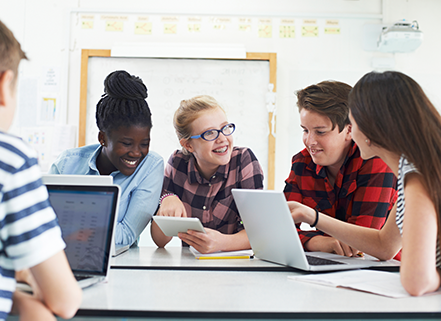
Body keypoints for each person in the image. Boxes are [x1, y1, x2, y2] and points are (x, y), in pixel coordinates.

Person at [0, 5, 81, 320]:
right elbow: (64, 301)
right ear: (3, 85)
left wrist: (11, 296)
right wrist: (23, 290)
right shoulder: (5, 158)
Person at [289, 71, 441, 296]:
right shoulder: (412, 170)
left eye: (353, 119)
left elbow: (416, 282)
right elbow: (384, 245)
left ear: (371, 127)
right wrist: (313, 217)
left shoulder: (416, 178)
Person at [49, 70, 164, 247]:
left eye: (144, 143)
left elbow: (126, 234)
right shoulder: (67, 164)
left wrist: (70, 224)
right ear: (102, 138)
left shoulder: (150, 166)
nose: (136, 153)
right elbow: (41, 222)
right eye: (126, 143)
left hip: (119, 265)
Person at [284, 81, 398, 258]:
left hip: (382, 268)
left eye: (320, 132)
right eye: (305, 130)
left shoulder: (375, 162)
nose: (309, 141)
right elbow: (279, 229)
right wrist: (315, 242)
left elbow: (363, 243)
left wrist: (312, 222)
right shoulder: (302, 163)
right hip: (333, 263)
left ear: (349, 131)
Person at [150, 95, 264, 253]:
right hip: (191, 266)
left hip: (236, 264)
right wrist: (166, 200)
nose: (222, 138)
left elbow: (261, 233)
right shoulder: (177, 163)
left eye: (225, 128)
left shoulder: (244, 160)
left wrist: (222, 243)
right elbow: (160, 241)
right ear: (188, 145)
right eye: (209, 133)